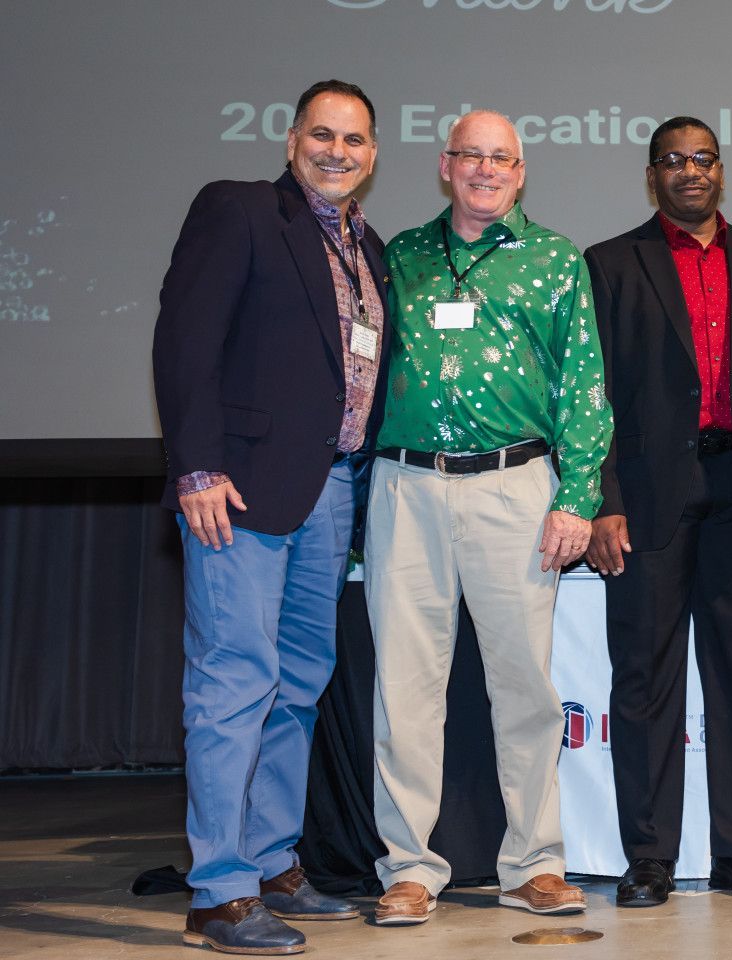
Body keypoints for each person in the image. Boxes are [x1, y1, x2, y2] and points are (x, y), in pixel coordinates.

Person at [153, 79, 389, 955]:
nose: (337, 150)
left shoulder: (364, 243)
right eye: (322, 135)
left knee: (298, 683)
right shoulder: (241, 210)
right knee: (233, 682)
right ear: (292, 140)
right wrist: (197, 468)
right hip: (239, 489)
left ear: (373, 153)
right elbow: (184, 340)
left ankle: (271, 862)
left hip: (327, 489)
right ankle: (218, 893)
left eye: (355, 139)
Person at [366, 110, 613, 924]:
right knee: (404, 689)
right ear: (444, 165)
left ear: (520, 170)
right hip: (407, 488)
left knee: (526, 689)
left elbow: (582, 385)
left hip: (516, 486)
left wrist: (578, 497)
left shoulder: (554, 260)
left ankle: (534, 863)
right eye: (469, 155)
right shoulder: (400, 254)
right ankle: (408, 867)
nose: (483, 169)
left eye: (498, 158)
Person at [583, 116, 732, 906]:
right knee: (644, 680)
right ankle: (647, 856)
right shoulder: (611, 264)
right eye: (674, 161)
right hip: (647, 501)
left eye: (703, 159)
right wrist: (602, 501)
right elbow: (596, 396)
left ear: (721, 170)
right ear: (652, 175)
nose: (691, 172)